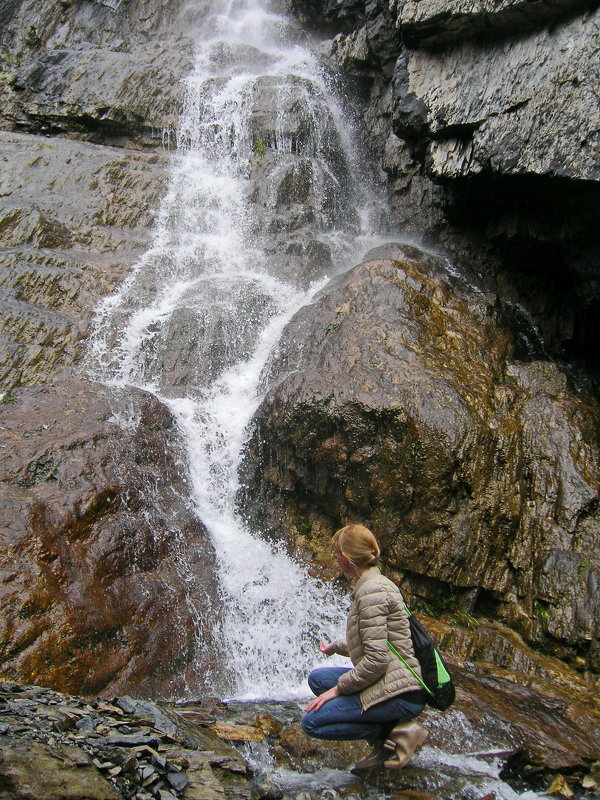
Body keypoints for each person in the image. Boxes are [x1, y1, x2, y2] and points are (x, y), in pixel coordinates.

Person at [301, 524, 429, 770]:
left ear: (347, 558)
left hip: (400, 691)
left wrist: (339, 690)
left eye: (337, 551)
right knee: (318, 679)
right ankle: (383, 745)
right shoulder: (377, 584)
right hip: (392, 679)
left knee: (312, 722)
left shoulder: (372, 592)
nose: (335, 557)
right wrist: (337, 647)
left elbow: (377, 661)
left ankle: (396, 732)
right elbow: (380, 641)